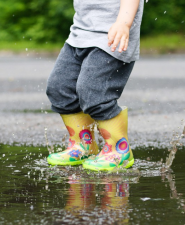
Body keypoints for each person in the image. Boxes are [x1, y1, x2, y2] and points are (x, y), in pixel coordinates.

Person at [46, 0, 144, 171]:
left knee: (94, 91)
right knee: (59, 87)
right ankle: (83, 145)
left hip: (113, 37)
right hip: (79, 35)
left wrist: (123, 22)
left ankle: (118, 150)